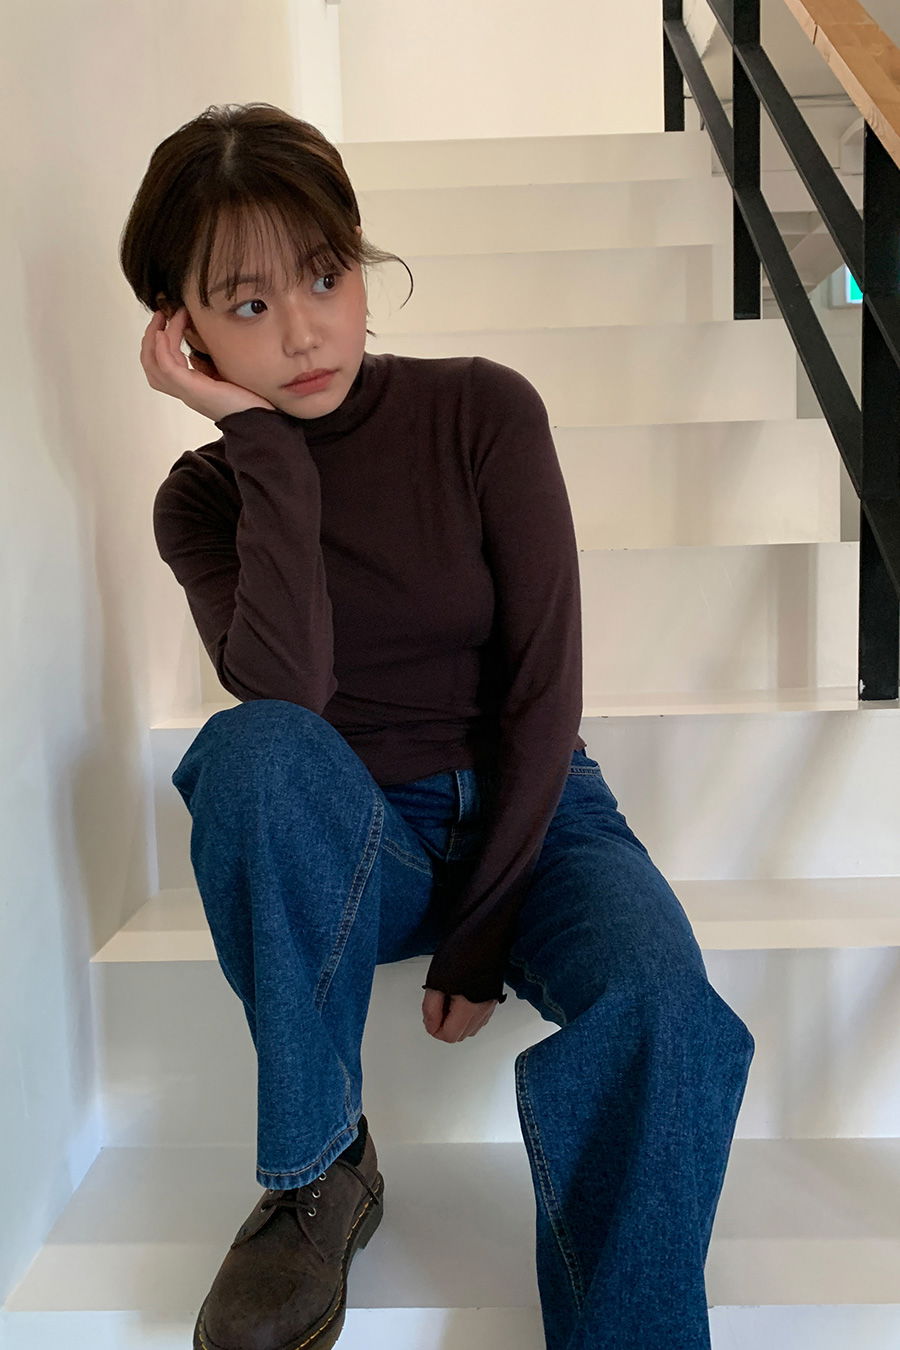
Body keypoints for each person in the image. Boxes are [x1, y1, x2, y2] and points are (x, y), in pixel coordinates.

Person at [121, 101, 755, 1350]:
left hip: (543, 815)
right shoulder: (202, 500)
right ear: (180, 332)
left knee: (665, 1007)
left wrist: (484, 933)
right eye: (246, 304)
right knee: (250, 753)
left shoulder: (482, 412)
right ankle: (319, 1170)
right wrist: (261, 445)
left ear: (363, 262)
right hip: (366, 844)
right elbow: (289, 695)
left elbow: (544, 686)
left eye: (326, 275)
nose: (303, 330)